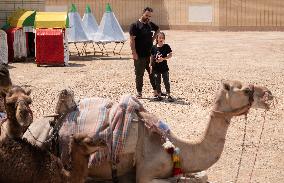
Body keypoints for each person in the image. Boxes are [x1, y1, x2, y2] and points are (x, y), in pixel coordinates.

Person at [129, 7, 160, 99]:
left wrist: (153, 38)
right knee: (139, 74)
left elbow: (158, 29)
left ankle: (155, 91)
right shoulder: (134, 25)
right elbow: (132, 40)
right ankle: (139, 92)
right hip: (139, 55)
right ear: (142, 13)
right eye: (146, 15)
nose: (148, 17)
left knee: (152, 73)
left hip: (150, 54)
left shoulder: (150, 24)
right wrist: (134, 52)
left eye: (149, 16)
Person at [150, 32, 174, 102]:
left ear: (164, 39)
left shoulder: (166, 46)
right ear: (157, 39)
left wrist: (163, 59)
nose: (161, 39)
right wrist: (150, 65)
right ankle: (159, 95)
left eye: (162, 38)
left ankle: (169, 95)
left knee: (166, 81)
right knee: (157, 82)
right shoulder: (153, 47)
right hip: (156, 68)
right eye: (159, 37)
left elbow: (170, 55)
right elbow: (151, 57)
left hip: (164, 68)